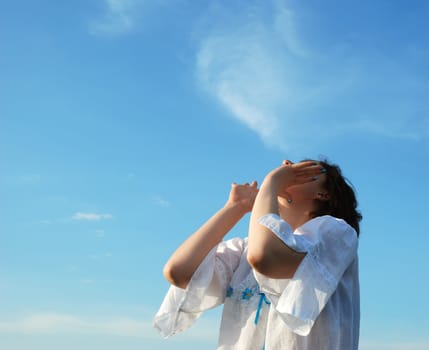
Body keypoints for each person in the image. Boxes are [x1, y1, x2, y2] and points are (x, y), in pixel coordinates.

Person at [153, 159, 362, 350]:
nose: (287, 165)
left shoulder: (336, 234)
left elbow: (264, 258)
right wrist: (235, 208)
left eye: (304, 169)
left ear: (324, 194)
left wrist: (271, 182)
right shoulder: (244, 249)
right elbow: (179, 272)